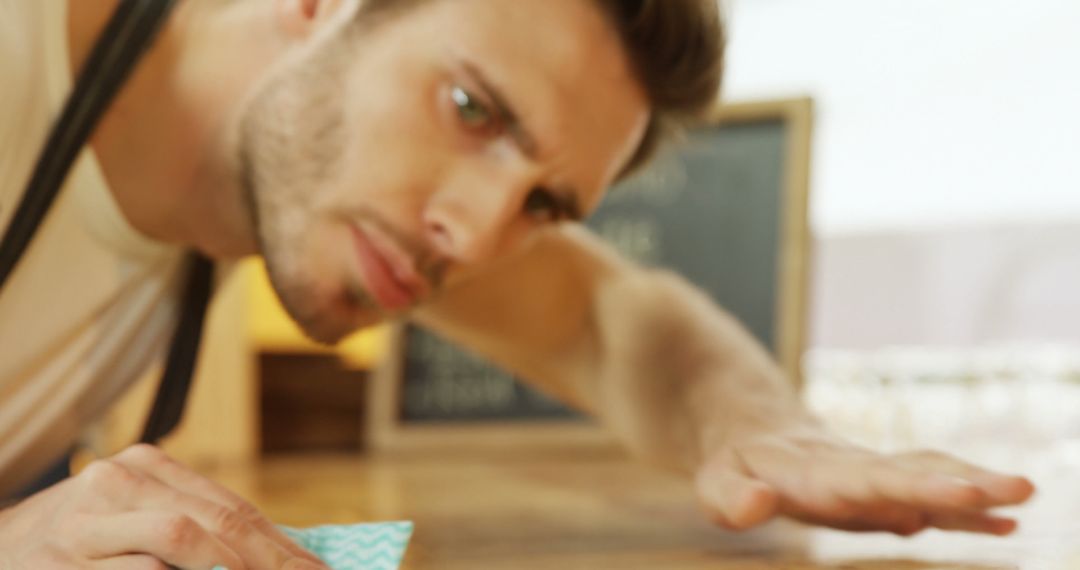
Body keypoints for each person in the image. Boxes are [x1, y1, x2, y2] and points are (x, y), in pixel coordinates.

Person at [0, 0, 1035, 567]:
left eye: (545, 202)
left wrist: (758, 430)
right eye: (472, 108)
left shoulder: (327, 190)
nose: (480, 232)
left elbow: (613, 317)